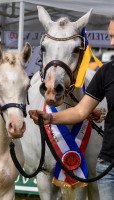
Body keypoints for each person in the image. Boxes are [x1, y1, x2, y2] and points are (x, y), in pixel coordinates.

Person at [29, 17, 114, 200]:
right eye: (110, 36)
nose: (111, 42)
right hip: (107, 164)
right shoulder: (106, 73)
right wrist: (49, 118)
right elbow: (80, 111)